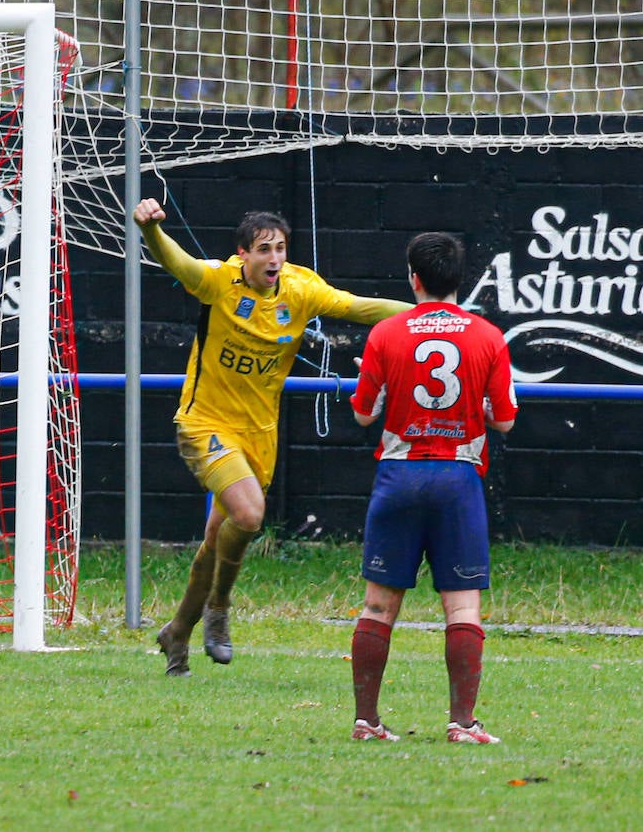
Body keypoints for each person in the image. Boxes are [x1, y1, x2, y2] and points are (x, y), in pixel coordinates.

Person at [132, 197, 412, 677]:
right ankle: (218, 609)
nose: (275, 258)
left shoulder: (301, 289)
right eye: (264, 249)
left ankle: (177, 631)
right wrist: (152, 231)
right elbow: (175, 261)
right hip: (206, 423)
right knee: (248, 513)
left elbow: (362, 308)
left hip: (261, 433)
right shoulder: (218, 282)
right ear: (243, 254)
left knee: (217, 536)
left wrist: (433, 315)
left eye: (280, 248)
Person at [347, 232, 517, 745]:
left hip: (399, 475)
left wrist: (377, 386)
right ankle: (462, 723)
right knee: (461, 608)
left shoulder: (386, 333)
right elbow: (504, 421)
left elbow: (362, 413)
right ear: (457, 279)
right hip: (457, 477)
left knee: (378, 607)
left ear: (413, 277)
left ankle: (366, 722)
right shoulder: (487, 336)